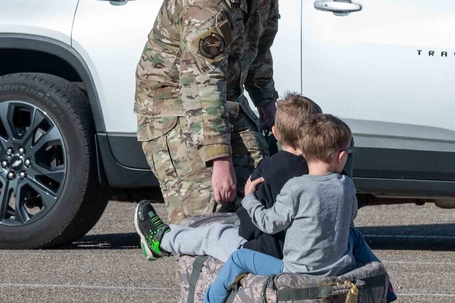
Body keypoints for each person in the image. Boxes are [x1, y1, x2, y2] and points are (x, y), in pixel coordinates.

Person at [134, 0, 290, 224]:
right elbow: (201, 85)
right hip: (173, 106)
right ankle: (170, 243)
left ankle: (238, 272)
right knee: (207, 207)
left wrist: (267, 103)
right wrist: (218, 159)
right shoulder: (204, 0)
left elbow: (259, 48)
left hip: (221, 100)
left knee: (260, 186)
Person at [176, 114, 367, 303]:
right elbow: (351, 215)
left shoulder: (296, 187)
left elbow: (269, 222)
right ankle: (384, 287)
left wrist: (249, 198)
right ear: (341, 157)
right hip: (339, 267)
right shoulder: (346, 185)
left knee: (238, 259)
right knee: (354, 235)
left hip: (295, 270)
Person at [134, 93, 320, 262]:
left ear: (276, 133)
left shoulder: (269, 169)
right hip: (313, 253)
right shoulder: (324, 171)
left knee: (213, 236)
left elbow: (249, 228)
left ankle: (161, 239)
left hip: (266, 253)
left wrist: (248, 199)